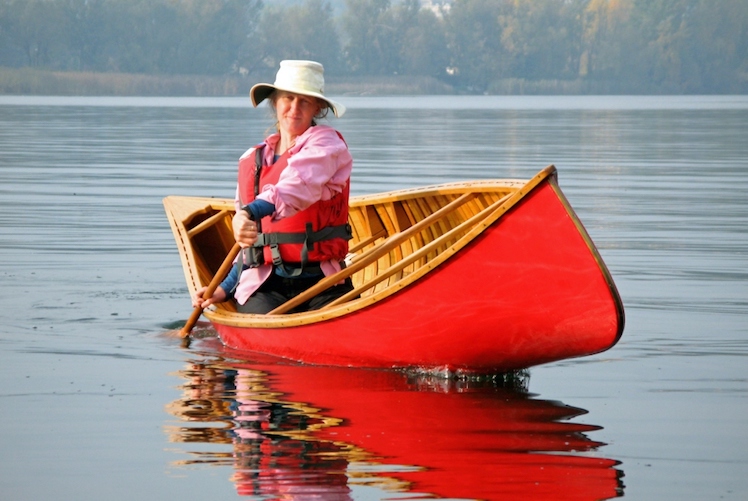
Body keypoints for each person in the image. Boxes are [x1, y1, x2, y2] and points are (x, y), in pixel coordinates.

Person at [192, 60, 354, 314]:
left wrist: (248, 212)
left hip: (324, 282)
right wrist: (224, 287)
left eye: (305, 101)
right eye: (288, 98)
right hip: (266, 287)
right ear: (275, 101)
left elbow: (297, 185)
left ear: (318, 108)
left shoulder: (326, 145)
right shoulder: (252, 159)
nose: (294, 108)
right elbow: (250, 245)